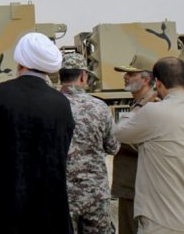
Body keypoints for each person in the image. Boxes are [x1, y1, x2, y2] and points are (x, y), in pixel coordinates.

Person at [0, 32, 74, 234]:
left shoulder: (0, 94)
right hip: (48, 206)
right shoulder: (61, 103)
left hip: (5, 204)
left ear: (20, 63)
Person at [114, 57, 184, 233]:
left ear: (157, 83)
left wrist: (140, 104)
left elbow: (118, 131)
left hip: (163, 221)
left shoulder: (154, 112)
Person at [59, 53, 120, 233]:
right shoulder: (99, 107)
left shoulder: (51, 105)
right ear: (83, 76)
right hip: (95, 192)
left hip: (62, 192)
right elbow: (113, 146)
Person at [111, 53, 159, 234]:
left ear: (146, 79)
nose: (125, 77)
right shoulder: (139, 104)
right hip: (130, 186)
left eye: (131, 74)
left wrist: (117, 139)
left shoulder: (153, 105)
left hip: (140, 188)